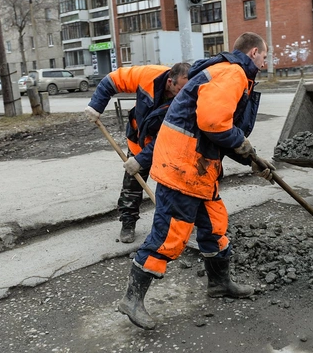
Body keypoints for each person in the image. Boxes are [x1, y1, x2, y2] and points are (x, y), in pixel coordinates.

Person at [118, 32, 276, 330]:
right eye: (265, 56)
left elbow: (223, 133)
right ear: (254, 52)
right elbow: (214, 124)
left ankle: (219, 284)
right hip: (183, 168)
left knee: (215, 226)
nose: (266, 61)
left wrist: (253, 161)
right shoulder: (232, 73)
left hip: (199, 169)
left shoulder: (229, 73)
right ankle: (132, 299)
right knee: (170, 235)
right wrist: (246, 148)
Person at [84, 62, 190, 243]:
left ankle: (176, 225)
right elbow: (113, 80)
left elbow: (168, 139)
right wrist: (96, 105)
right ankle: (128, 223)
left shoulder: (189, 100)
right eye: (180, 89)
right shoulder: (149, 75)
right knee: (132, 186)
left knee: (174, 187)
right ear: (170, 81)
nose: (184, 95)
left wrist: (142, 159)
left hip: (168, 147)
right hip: (139, 142)